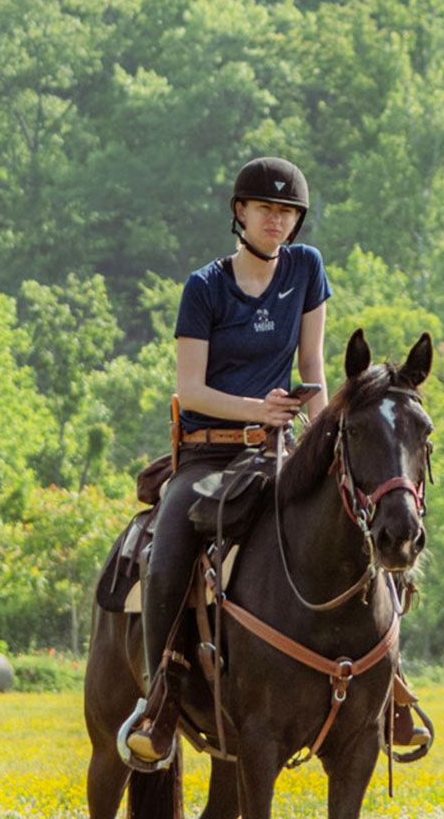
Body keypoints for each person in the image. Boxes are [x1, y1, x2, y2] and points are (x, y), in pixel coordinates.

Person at [124, 156, 331, 765]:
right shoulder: (204, 287)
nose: (279, 220)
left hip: (278, 452)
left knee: (357, 518)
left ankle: (388, 685)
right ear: (239, 212)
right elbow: (189, 390)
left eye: (289, 211)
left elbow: (313, 372)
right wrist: (254, 410)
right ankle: (160, 698)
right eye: (267, 208)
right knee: (169, 545)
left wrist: (323, 443)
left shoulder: (306, 268)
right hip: (206, 456)